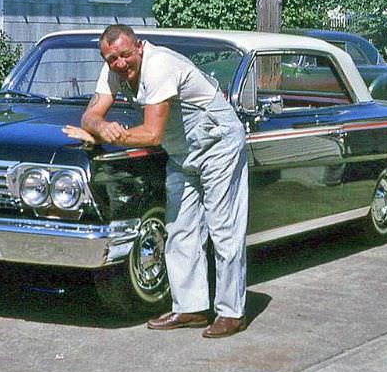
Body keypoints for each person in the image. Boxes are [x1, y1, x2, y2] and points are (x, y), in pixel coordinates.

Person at [62, 24, 249, 338]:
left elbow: (151, 134)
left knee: (223, 228)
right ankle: (190, 308)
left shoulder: (159, 64)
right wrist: (98, 126)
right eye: (111, 59)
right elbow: (90, 116)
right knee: (179, 228)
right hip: (181, 150)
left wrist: (110, 133)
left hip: (217, 143)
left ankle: (232, 313)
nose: (120, 64)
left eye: (124, 55)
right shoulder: (112, 73)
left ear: (139, 46)